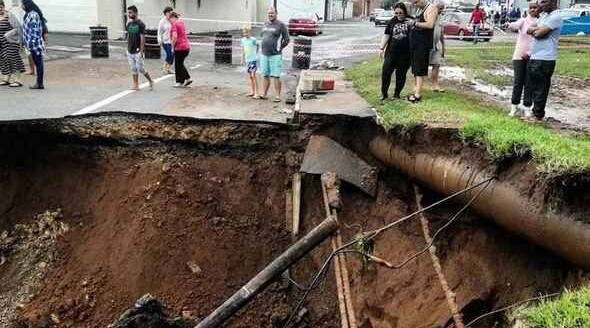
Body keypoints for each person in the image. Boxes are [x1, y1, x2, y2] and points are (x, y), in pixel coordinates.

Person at [525, 0, 563, 120]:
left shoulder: (556, 16)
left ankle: (538, 115)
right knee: (534, 86)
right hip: (535, 56)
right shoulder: (544, 16)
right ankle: (534, 112)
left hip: (546, 58)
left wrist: (538, 31)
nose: (541, 5)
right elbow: (529, 29)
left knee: (541, 88)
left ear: (553, 2)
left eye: (544, 2)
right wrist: (538, 30)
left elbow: (538, 34)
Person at [505, 0, 539, 117]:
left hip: (532, 57)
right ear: (528, 9)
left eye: (535, 7)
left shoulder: (541, 22)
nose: (533, 9)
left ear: (539, 8)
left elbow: (538, 42)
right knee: (518, 82)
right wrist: (509, 24)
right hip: (518, 56)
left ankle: (527, 107)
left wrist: (529, 53)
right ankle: (514, 107)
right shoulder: (523, 21)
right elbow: (515, 25)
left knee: (529, 83)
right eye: (531, 8)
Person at [406, 0, 437, 103]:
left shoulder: (431, 8)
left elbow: (430, 24)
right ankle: (416, 89)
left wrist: (414, 23)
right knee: (415, 68)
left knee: (419, 69)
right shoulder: (419, 8)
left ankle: (417, 95)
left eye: (416, 2)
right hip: (414, 43)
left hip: (423, 44)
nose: (415, 5)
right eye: (414, 3)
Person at [379, 2, 411, 100]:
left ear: (405, 12)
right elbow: (387, 35)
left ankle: (397, 94)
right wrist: (381, 48)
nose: (398, 15)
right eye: (396, 13)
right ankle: (384, 94)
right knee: (386, 72)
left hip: (405, 54)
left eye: (400, 13)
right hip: (391, 52)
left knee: (401, 74)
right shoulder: (392, 21)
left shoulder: (411, 21)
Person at [258, 6, 289, 103]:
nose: (270, 15)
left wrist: (280, 48)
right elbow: (262, 36)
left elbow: (287, 39)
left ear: (276, 13)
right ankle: (264, 94)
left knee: (276, 76)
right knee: (265, 75)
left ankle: (278, 96)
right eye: (269, 13)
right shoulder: (265, 24)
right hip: (264, 54)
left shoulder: (281, 25)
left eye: (272, 13)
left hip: (275, 55)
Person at [125, 5, 154, 91]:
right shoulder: (129, 24)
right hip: (130, 50)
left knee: (140, 68)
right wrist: (127, 47)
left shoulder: (141, 24)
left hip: (138, 50)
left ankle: (151, 81)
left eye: (130, 12)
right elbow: (128, 36)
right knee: (133, 68)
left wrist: (141, 50)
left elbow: (142, 37)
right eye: (128, 12)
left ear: (135, 13)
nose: (128, 14)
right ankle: (136, 85)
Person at [0, 0, 25, 87]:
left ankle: (18, 80)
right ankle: (6, 77)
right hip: (1, 43)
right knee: (3, 59)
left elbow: (18, 28)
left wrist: (8, 34)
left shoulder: (10, 16)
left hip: (11, 41)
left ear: (4, 7)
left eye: (1, 7)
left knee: (12, 58)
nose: (0, 9)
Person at [22, 0, 46, 89]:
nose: (22, 6)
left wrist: (32, 44)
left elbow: (34, 31)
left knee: (39, 63)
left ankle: (39, 83)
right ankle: (39, 83)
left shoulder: (32, 15)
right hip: (32, 44)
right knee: (38, 63)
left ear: (27, 5)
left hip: (35, 44)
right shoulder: (29, 14)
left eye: (22, 4)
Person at [170, 11, 192, 87]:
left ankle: (180, 81)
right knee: (180, 63)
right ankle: (187, 79)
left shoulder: (174, 25)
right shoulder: (181, 23)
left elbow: (174, 37)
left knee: (178, 64)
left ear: (173, 17)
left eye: (170, 19)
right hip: (186, 47)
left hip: (179, 48)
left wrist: (172, 47)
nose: (170, 21)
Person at [430, 0, 446, 92]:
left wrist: (443, 45)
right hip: (426, 45)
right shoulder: (429, 15)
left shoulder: (440, 17)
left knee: (436, 64)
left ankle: (435, 85)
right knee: (421, 67)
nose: (441, 10)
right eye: (440, 8)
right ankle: (417, 86)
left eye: (442, 9)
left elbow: (441, 32)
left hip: (435, 46)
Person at [241, 26, 259, 98]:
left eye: (247, 32)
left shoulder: (253, 39)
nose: (245, 34)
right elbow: (243, 50)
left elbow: (258, 45)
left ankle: (257, 93)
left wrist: (256, 53)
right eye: (244, 32)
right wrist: (242, 58)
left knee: (253, 75)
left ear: (250, 32)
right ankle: (252, 91)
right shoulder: (243, 40)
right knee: (250, 77)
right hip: (247, 60)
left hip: (253, 60)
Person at [157, 6, 174, 74]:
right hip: (165, 41)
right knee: (169, 55)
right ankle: (164, 68)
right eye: (170, 12)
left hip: (172, 41)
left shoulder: (172, 20)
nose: (171, 14)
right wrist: (159, 39)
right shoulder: (162, 21)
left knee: (173, 55)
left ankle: (169, 68)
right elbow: (159, 32)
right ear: (166, 13)